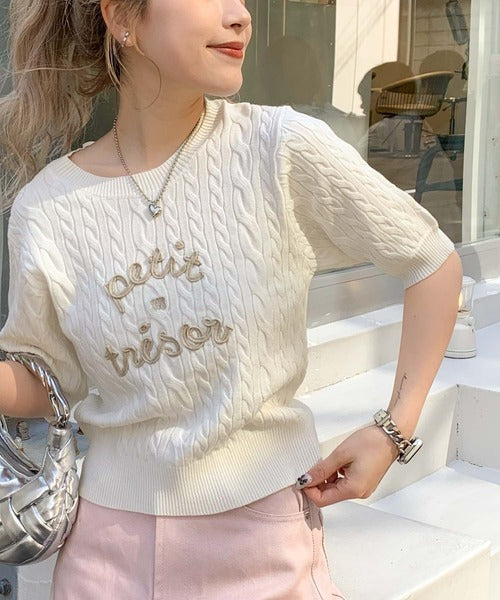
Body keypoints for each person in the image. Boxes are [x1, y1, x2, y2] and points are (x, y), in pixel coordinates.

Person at [0, 1, 463, 599]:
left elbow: (431, 260)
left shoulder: (278, 148)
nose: (241, 15)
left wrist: (393, 429)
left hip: (263, 539)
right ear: (121, 18)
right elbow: (51, 378)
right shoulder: (47, 207)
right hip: (105, 552)